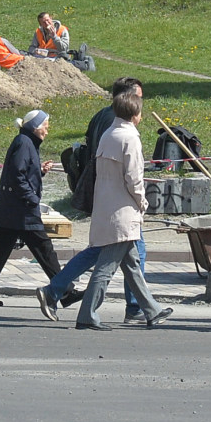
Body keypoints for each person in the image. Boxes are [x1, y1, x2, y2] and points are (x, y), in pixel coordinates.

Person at [36, 77, 142, 322]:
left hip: (105, 196)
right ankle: (132, 308)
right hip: (121, 203)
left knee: (115, 253)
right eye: (139, 98)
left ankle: (142, 308)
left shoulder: (102, 118)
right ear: (128, 100)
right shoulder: (121, 129)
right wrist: (140, 202)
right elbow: (129, 174)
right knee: (113, 254)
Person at [74, 90, 172, 331]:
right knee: (106, 268)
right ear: (135, 114)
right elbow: (134, 178)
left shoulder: (109, 134)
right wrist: (143, 203)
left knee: (131, 265)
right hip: (123, 209)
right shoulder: (130, 138)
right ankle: (87, 314)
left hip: (106, 206)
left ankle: (151, 310)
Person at [0, 110, 66, 305]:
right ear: (35, 127)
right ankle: (65, 291)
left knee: (0, 252)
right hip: (21, 210)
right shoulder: (24, 143)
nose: (47, 132)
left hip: (13, 208)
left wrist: (40, 171)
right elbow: (17, 175)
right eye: (46, 127)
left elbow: (23, 172)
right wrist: (31, 198)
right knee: (44, 249)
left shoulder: (26, 142)